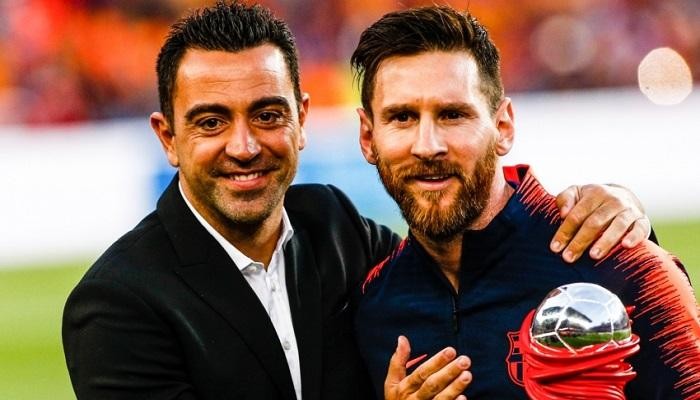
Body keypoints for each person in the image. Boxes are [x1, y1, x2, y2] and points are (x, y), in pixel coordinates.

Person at [62, 2, 654, 399]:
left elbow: (461, 264)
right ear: (168, 137)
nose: (244, 147)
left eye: (267, 115)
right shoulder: (116, 305)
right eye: (211, 122)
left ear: (302, 121)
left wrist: (619, 206)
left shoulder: (335, 227)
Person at [351, 5, 700, 400]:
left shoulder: (622, 266)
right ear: (368, 137)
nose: (428, 146)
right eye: (402, 118)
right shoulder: (375, 307)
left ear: (503, 127)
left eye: (452, 115)